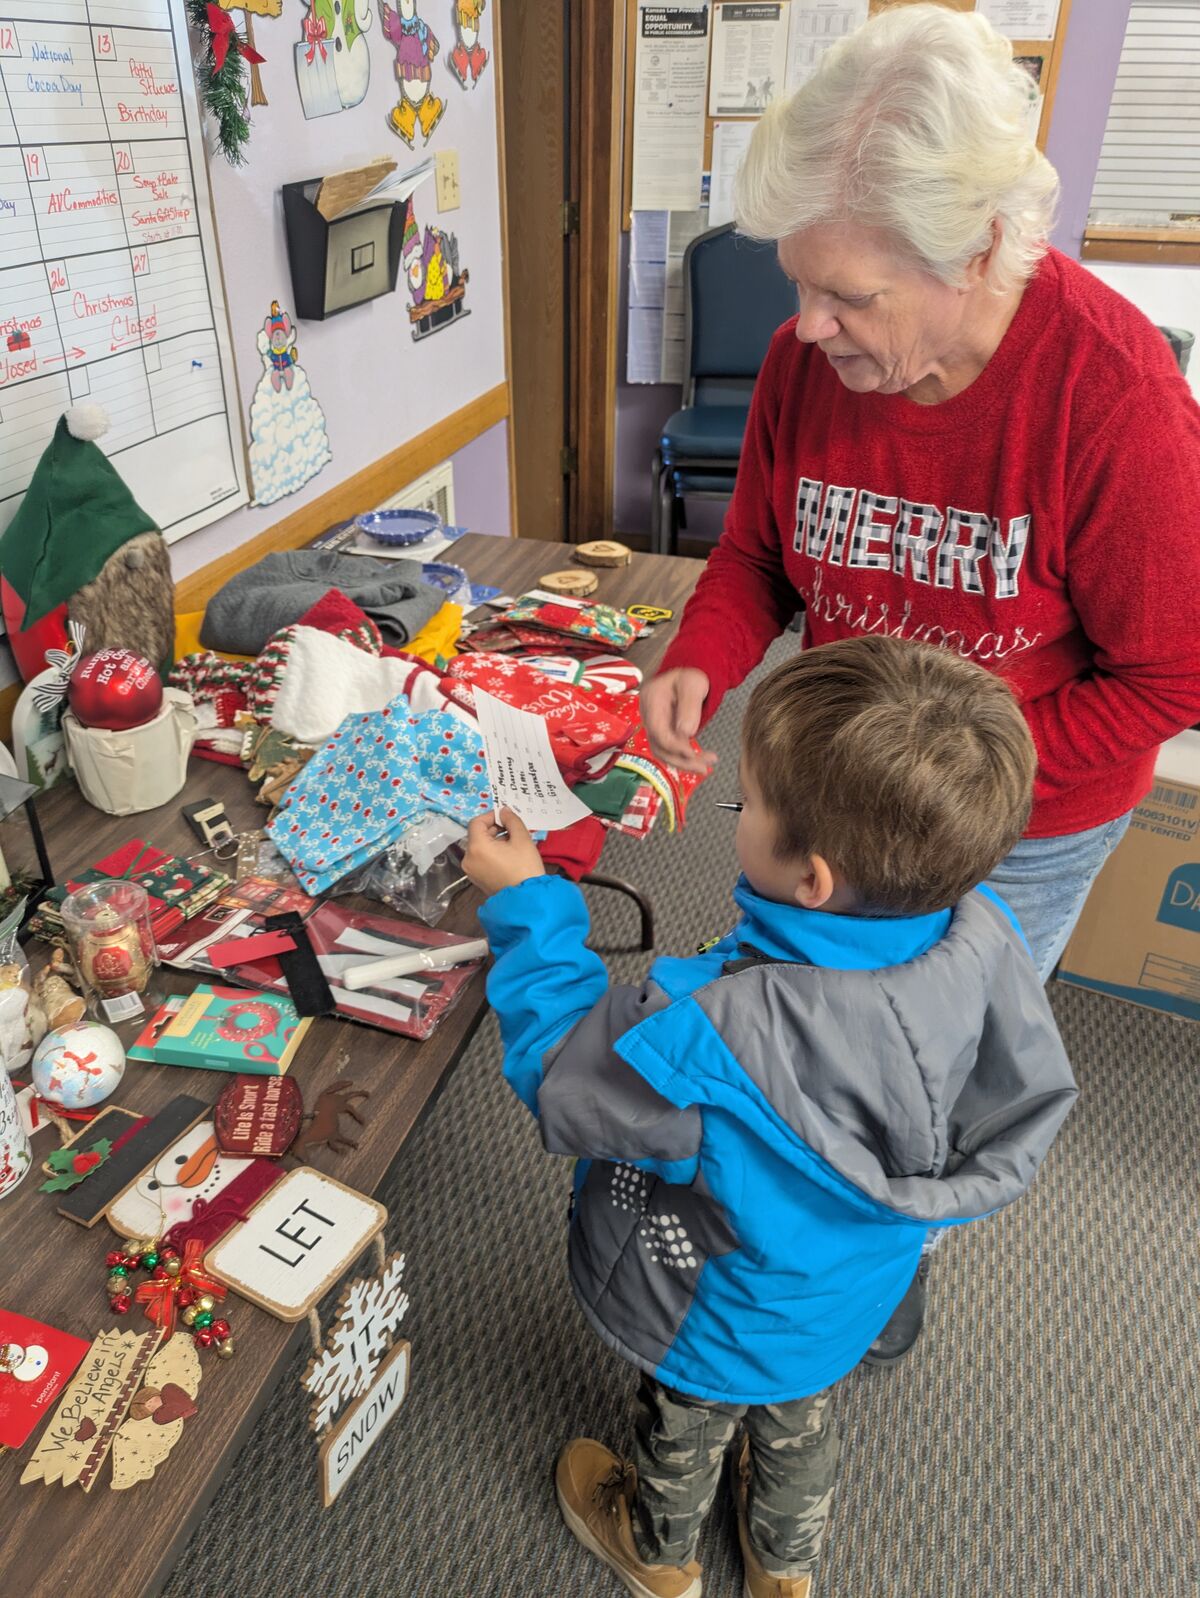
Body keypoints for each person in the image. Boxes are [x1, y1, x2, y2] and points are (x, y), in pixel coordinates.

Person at [463, 636, 1077, 1598]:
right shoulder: (980, 930)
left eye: (744, 806)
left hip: (713, 1306)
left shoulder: (714, 1031)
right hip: (842, 1294)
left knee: (686, 1423)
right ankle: (785, 1565)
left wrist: (530, 908)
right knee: (797, 1411)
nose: (735, 817)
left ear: (815, 880)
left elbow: (561, 1074)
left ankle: (658, 1549)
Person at [643, 4, 1200, 989]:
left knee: (945, 1068)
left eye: (851, 295)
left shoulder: (1114, 399)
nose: (808, 328)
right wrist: (702, 654)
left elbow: (1169, 679)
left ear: (979, 251)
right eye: (797, 286)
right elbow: (759, 555)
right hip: (840, 791)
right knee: (809, 1024)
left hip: (1018, 824)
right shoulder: (803, 360)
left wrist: (940, 784)